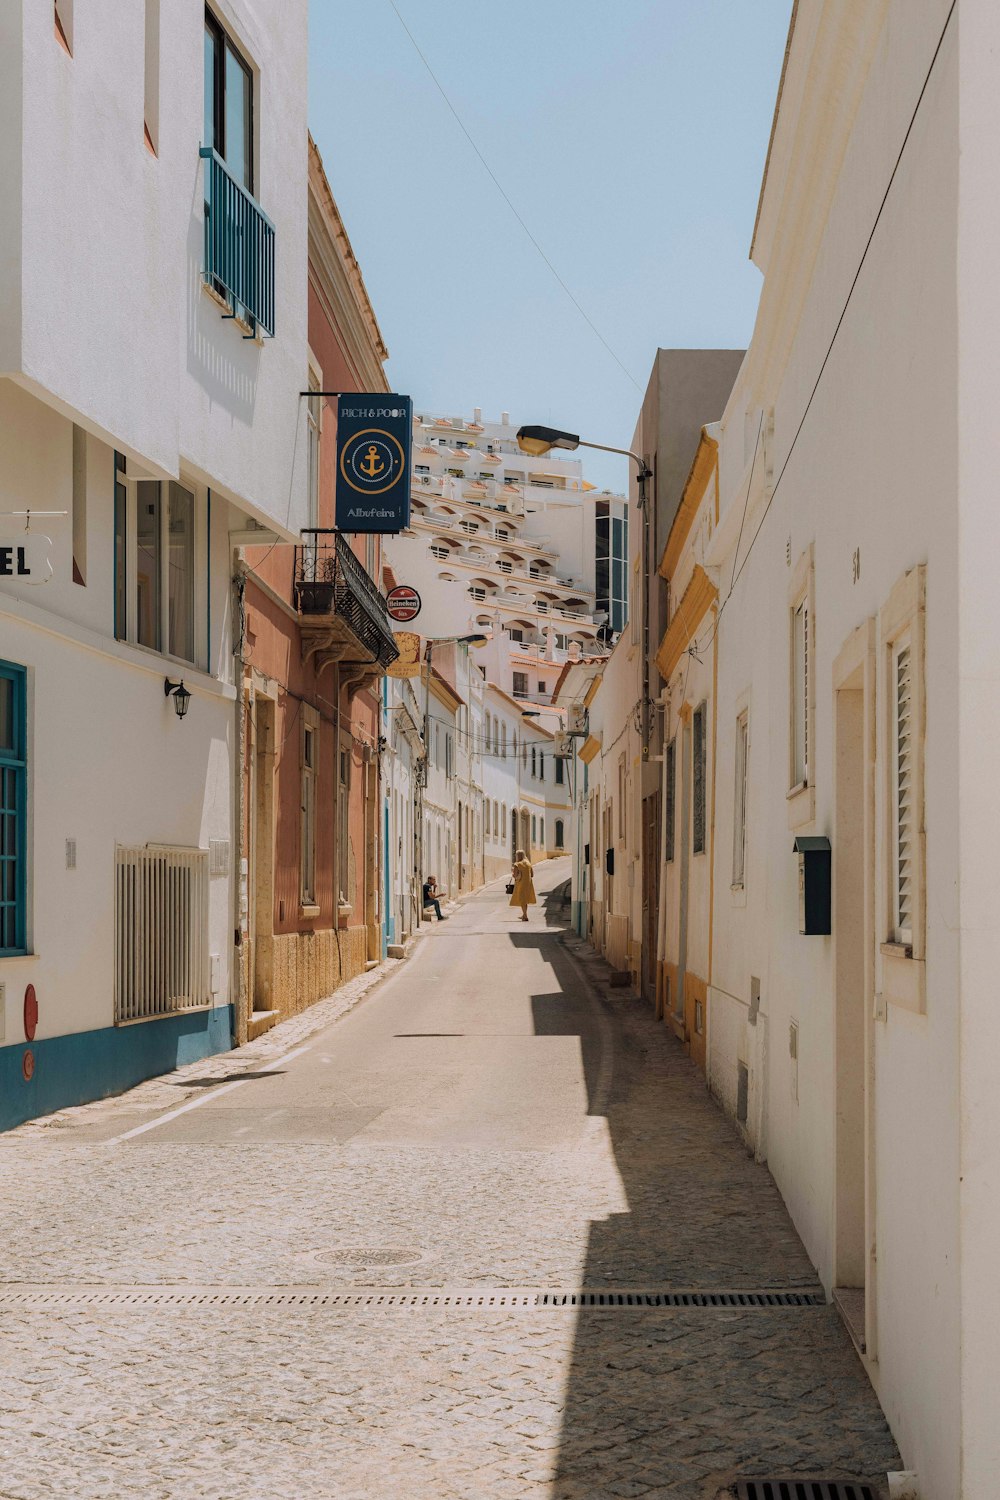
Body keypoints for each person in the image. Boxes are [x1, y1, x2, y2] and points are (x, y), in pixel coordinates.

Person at [508, 849, 536, 923]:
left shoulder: (517, 864)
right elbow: (532, 874)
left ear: (518, 856)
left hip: (520, 883)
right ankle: (524, 914)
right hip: (529, 884)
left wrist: (513, 873)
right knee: (525, 899)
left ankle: (525, 915)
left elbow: (514, 875)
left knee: (522, 899)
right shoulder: (529, 863)